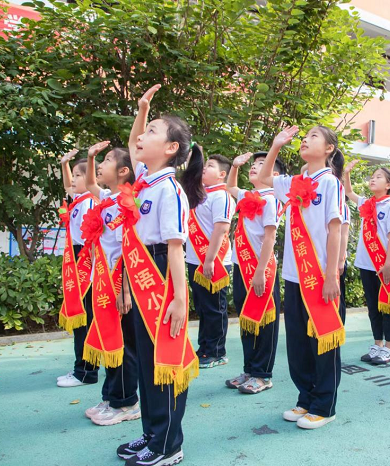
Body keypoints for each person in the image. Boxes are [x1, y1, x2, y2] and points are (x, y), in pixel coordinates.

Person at [114, 84, 202, 466]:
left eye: (154, 131)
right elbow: (135, 141)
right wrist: (143, 110)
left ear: (170, 149)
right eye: (146, 130)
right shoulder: (144, 181)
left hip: (161, 276)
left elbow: (175, 247)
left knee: (163, 361)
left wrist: (180, 300)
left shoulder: (169, 189)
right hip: (138, 273)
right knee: (146, 361)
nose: (143, 136)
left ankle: (168, 445)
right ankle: (152, 433)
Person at [258, 124, 345, 430]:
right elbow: (265, 178)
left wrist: (333, 274)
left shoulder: (331, 184)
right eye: (305, 137)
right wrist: (276, 145)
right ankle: (305, 398)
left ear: (329, 149)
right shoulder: (295, 182)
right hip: (295, 275)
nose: (306, 140)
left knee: (322, 341)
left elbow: (335, 230)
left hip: (320, 274)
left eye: (314, 137)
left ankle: (324, 405)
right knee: (297, 342)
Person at [78, 141, 140, 426]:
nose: (101, 165)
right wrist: (90, 157)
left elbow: (129, 249)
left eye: (107, 160)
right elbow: (90, 181)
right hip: (102, 282)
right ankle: (111, 394)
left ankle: (126, 401)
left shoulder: (126, 204)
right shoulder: (106, 199)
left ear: (124, 171)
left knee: (124, 344)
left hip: (118, 285)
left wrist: (125, 289)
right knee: (107, 341)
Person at [225, 151, 284, 394]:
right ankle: (249, 369)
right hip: (241, 266)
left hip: (261, 269)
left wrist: (259, 272)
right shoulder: (249, 195)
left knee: (264, 321)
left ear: (274, 174)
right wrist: (236, 165)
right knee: (247, 318)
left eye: (261, 164)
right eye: (254, 163)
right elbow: (230, 187)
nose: (254, 167)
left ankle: (263, 374)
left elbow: (270, 236)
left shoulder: (271, 199)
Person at [343, 160, 390, 365]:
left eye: (378, 177)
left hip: (383, 264)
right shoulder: (367, 203)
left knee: (387, 307)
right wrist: (347, 172)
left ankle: (389, 348)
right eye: (372, 176)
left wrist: (387, 264)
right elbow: (349, 191)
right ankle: (377, 344)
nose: (373, 179)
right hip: (366, 264)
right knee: (373, 307)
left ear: (389, 185)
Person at [186, 153, 235, 369]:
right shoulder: (200, 195)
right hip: (195, 259)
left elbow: (221, 229)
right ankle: (205, 348)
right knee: (203, 307)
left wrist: (209, 259)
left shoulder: (221, 197)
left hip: (214, 261)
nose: (204, 168)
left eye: (210, 166)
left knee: (215, 308)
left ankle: (217, 351)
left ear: (222, 174)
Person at [56, 153, 98, 388]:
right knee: (82, 321)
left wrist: (92, 273)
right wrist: (64, 164)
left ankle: (85, 372)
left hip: (86, 269)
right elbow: (66, 185)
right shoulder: (80, 199)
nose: (73, 179)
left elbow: (90, 243)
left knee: (85, 322)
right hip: (78, 264)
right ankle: (82, 368)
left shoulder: (90, 202)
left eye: (79, 175)